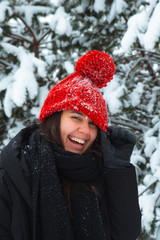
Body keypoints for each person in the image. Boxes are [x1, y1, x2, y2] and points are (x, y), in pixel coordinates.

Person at [0, 50, 141, 240]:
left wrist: (119, 171)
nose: (85, 130)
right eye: (76, 117)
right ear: (54, 118)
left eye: (92, 123)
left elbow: (124, 236)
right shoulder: (15, 171)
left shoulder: (97, 172)